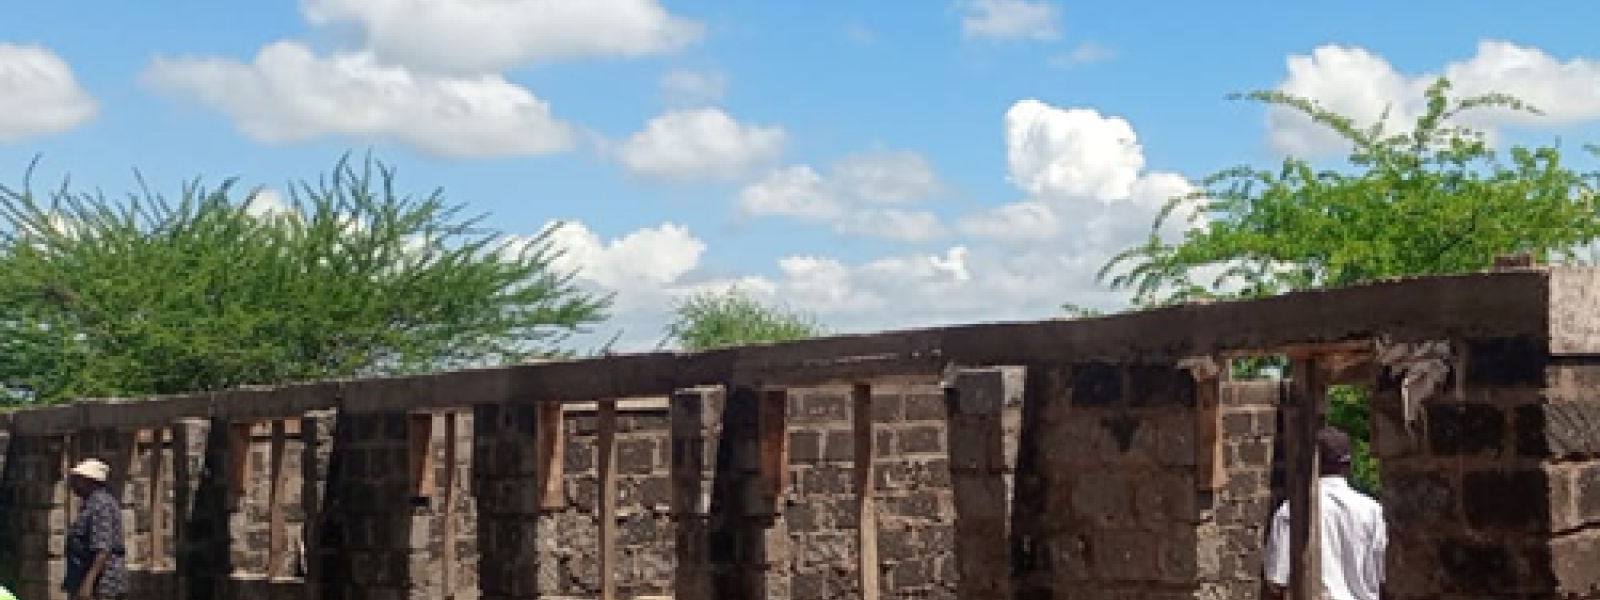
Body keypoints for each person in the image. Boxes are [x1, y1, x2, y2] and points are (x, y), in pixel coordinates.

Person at [1264, 426, 1387, 600]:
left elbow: (1276, 579)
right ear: (1348, 465)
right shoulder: (1373, 511)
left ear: (1311, 464)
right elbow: (1384, 575)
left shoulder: (1291, 511)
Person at [63, 458, 127, 600]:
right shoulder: (90, 504)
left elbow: (102, 550)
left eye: (77, 480)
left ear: (90, 482)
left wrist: (88, 584)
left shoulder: (100, 505)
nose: (73, 484)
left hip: (101, 586)